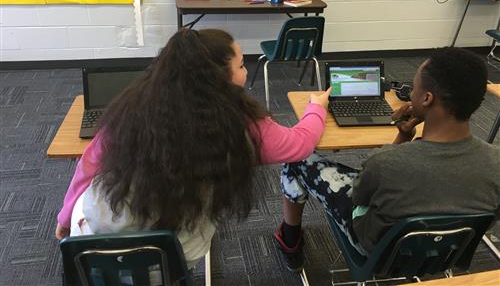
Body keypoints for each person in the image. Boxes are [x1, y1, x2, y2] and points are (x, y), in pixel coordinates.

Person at [55, 28, 332, 268]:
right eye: (241, 65)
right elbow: (300, 144)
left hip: (91, 243)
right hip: (170, 258)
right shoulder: (243, 127)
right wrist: (316, 109)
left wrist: (65, 217)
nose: (246, 69)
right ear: (221, 78)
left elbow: (89, 163)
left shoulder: (132, 106)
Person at [274, 47, 500, 272]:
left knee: (299, 157)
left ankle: (290, 240)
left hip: (379, 253)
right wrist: (405, 135)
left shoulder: (386, 162)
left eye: (414, 88)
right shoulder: (496, 161)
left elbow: (360, 200)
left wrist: (399, 142)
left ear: (426, 99)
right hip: (448, 254)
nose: (410, 94)